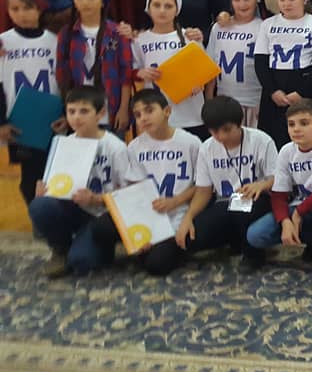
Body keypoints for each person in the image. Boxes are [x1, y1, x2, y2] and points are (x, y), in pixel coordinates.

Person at [91, 89, 202, 276]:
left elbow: (203, 185)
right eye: (138, 115)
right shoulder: (134, 146)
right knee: (100, 227)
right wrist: (140, 229)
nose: (143, 118)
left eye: (149, 111)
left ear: (167, 111)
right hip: (148, 212)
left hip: (178, 212)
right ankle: (143, 247)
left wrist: (175, 201)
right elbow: (134, 188)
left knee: (156, 266)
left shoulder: (191, 142)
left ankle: (173, 249)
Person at [245, 99, 312, 280]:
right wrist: (285, 222)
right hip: (302, 209)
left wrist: (298, 213)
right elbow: (279, 195)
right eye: (291, 124)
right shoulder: (286, 151)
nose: (296, 129)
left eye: (304, 123)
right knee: (255, 235)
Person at [26, 87, 128, 277]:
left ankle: (97, 245)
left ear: (100, 114)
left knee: (82, 263)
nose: (76, 117)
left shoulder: (116, 147)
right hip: (74, 210)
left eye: (84, 111)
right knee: (40, 206)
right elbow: (57, 184)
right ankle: (60, 249)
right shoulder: (63, 143)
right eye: (71, 111)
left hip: (102, 216)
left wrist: (97, 199)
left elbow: (129, 193)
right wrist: (45, 191)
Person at [177, 96, 276, 273]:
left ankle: (253, 254)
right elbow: (203, 190)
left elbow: (279, 179)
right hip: (224, 203)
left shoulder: (261, 140)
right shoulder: (206, 148)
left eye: (227, 130)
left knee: (242, 211)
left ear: (239, 123)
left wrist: (261, 185)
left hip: (257, 200)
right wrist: (189, 217)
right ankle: (234, 238)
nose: (221, 136)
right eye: (215, 131)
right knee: (191, 239)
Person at [0, 0, 61, 206]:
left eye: (27, 8)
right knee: (30, 177)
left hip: (52, 118)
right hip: (20, 120)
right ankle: (38, 216)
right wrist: (1, 122)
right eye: (15, 9)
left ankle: (55, 217)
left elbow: (64, 81)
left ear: (39, 9)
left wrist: (65, 113)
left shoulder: (54, 40)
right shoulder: (3, 42)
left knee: (55, 171)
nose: (22, 14)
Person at [132, 0, 211, 140]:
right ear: (148, 8)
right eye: (156, 5)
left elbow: (205, 72)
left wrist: (199, 83)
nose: (162, 10)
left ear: (177, 10)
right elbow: (132, 71)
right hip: (156, 117)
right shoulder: (139, 40)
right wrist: (141, 73)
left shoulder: (190, 37)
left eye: (168, 6)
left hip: (191, 115)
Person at [55, 0, 132, 134]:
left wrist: (124, 108)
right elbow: (62, 75)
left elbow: (126, 74)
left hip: (111, 108)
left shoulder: (117, 32)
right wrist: (65, 110)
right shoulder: (67, 34)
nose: (85, 2)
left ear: (102, 0)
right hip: (79, 112)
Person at [253, 0, 312, 148]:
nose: (286, 3)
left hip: (304, 86)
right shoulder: (268, 24)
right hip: (274, 87)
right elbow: (260, 61)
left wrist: (302, 92)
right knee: (273, 140)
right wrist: (273, 91)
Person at [207, 0, 263, 127]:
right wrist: (209, 100)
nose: (242, 4)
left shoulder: (262, 27)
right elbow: (211, 67)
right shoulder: (219, 27)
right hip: (225, 101)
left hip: (254, 101)